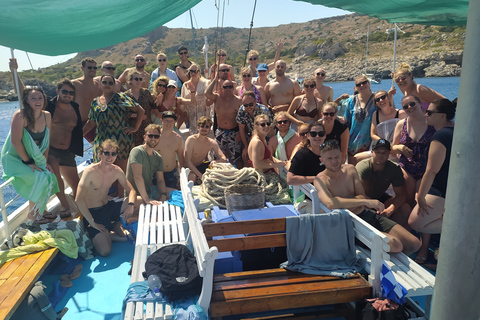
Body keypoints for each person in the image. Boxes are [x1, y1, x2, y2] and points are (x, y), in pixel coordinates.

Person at [314, 141, 421, 254]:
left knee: (414, 244)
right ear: (322, 160)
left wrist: (345, 203)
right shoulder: (321, 179)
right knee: (396, 245)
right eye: (329, 158)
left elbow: (360, 195)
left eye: (336, 157)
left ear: (341, 155)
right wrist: (364, 202)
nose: (334, 161)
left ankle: (385, 255)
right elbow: (330, 203)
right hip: (348, 223)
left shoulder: (350, 169)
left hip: (366, 214)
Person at [9, 59, 81, 216]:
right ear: (57, 91)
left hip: (67, 151)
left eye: (71, 92)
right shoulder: (48, 106)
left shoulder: (75, 107)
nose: (67, 95)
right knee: (52, 172)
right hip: (50, 151)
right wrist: (14, 70)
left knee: (77, 185)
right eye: (64, 91)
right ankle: (62, 206)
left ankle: (76, 206)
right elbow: (25, 94)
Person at [1, 86, 59, 223]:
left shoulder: (47, 116)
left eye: (40, 97)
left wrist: (43, 162)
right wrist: (29, 162)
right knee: (38, 177)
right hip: (15, 157)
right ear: (27, 100)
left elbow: (46, 141)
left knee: (49, 175)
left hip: (32, 154)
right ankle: (33, 215)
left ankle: (41, 209)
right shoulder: (20, 115)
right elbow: (15, 142)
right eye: (33, 98)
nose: (37, 101)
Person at [408, 99, 456, 265]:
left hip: (439, 190)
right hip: (452, 189)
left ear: (442, 115)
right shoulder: (456, 130)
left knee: (416, 222)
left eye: (430, 112)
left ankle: (464, 225)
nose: (426, 114)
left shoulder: (440, 135)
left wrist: (421, 195)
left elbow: (432, 170)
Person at [82, 75, 145, 196]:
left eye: (110, 82)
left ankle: (121, 201)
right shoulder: (95, 101)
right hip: (101, 142)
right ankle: (107, 200)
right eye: (104, 82)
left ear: (113, 85)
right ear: (100, 84)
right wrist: (80, 135)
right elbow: (91, 122)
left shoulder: (121, 97)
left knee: (120, 173)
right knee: (103, 173)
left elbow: (140, 110)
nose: (107, 84)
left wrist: (135, 128)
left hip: (121, 141)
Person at [75, 139, 137, 256]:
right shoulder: (90, 172)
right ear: (99, 154)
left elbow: (131, 190)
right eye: (106, 153)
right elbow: (79, 199)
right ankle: (109, 233)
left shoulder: (117, 171)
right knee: (105, 251)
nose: (110, 156)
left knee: (139, 201)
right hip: (95, 214)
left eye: (113, 154)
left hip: (108, 206)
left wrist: (130, 205)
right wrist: (92, 223)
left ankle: (116, 224)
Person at [356, 139, 411, 228]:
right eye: (377, 152)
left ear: (389, 153)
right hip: (363, 200)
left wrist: (390, 209)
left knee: (405, 208)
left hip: (380, 198)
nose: (381, 155)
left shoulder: (394, 168)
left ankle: (389, 232)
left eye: (384, 153)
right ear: (372, 152)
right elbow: (357, 193)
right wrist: (372, 204)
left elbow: (401, 195)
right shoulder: (363, 167)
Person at [392, 95, 436, 206]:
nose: (409, 107)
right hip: (407, 168)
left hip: (427, 170)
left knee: (419, 201)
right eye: (405, 106)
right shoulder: (401, 124)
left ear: (420, 103)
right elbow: (393, 148)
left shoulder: (432, 122)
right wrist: (400, 148)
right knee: (408, 201)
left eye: (412, 104)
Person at [353, 90, 406, 163]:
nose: (381, 100)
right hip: (380, 148)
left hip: (394, 150)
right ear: (376, 103)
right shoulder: (375, 114)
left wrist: (393, 148)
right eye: (377, 99)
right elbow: (373, 134)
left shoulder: (400, 114)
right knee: (357, 158)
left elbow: (405, 133)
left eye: (383, 97)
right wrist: (386, 145)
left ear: (388, 98)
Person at [126, 124, 167, 211]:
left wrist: (163, 194)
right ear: (144, 137)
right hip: (134, 196)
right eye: (150, 136)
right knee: (143, 205)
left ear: (159, 138)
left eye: (156, 136)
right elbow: (137, 177)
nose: (153, 138)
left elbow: (160, 180)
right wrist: (147, 199)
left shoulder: (158, 157)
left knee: (173, 194)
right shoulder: (137, 151)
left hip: (148, 193)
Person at [205, 75, 243, 167]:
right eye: (225, 87)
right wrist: (215, 80)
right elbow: (207, 93)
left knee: (236, 157)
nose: (228, 89)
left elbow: (242, 119)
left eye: (230, 87)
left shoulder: (238, 101)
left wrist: (240, 134)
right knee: (218, 156)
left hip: (234, 132)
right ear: (222, 88)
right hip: (220, 132)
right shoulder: (217, 98)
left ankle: (238, 174)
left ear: (233, 88)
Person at [185, 117, 227, 184]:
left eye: (207, 127)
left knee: (219, 170)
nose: (204, 129)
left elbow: (224, 159)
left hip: (200, 167)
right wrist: (201, 176)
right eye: (202, 126)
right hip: (189, 169)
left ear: (209, 129)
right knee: (192, 178)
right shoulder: (191, 140)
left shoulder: (211, 142)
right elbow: (188, 161)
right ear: (198, 128)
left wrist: (215, 161)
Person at [344, 75, 376, 164]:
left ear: (368, 83)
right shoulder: (351, 101)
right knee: (353, 171)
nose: (362, 85)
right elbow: (346, 122)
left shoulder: (377, 99)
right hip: (353, 143)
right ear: (355, 88)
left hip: (370, 143)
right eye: (359, 84)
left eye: (364, 83)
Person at [236, 91, 273, 165]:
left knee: (267, 157)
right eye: (245, 105)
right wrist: (246, 147)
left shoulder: (263, 110)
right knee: (246, 156)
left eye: (250, 104)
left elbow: (271, 128)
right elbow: (241, 129)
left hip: (266, 135)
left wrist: (270, 145)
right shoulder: (242, 110)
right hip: (253, 135)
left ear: (255, 102)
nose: (248, 107)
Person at [71, 57, 102, 143]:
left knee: (103, 148)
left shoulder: (99, 85)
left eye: (94, 68)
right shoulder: (75, 84)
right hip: (82, 122)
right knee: (99, 147)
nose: (92, 70)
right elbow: (67, 104)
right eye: (89, 67)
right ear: (82, 68)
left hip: (97, 122)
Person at [287, 121, 326, 185]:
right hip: (312, 192)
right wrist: (316, 178)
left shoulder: (328, 152)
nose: (317, 136)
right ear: (308, 136)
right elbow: (290, 179)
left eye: (321, 133)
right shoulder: (302, 155)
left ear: (325, 135)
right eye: (313, 134)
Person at [124, 70, 157, 146]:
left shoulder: (146, 93)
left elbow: (153, 107)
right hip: (132, 128)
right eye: (136, 79)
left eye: (140, 79)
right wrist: (135, 115)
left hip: (147, 126)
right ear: (130, 81)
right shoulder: (126, 96)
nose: (138, 81)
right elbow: (123, 112)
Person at [155, 112, 185, 192]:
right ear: (161, 121)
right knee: (158, 197)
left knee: (173, 196)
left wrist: (181, 176)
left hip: (171, 173)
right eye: (166, 120)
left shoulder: (178, 139)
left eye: (171, 121)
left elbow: (180, 159)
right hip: (156, 174)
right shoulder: (154, 136)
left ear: (174, 122)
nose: (168, 123)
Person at [181, 63, 212, 135]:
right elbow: (183, 102)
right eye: (191, 71)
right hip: (191, 114)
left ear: (199, 72)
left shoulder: (206, 83)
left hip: (203, 113)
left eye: (195, 71)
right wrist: (184, 115)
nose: (193, 73)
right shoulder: (185, 85)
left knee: (204, 133)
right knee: (193, 135)